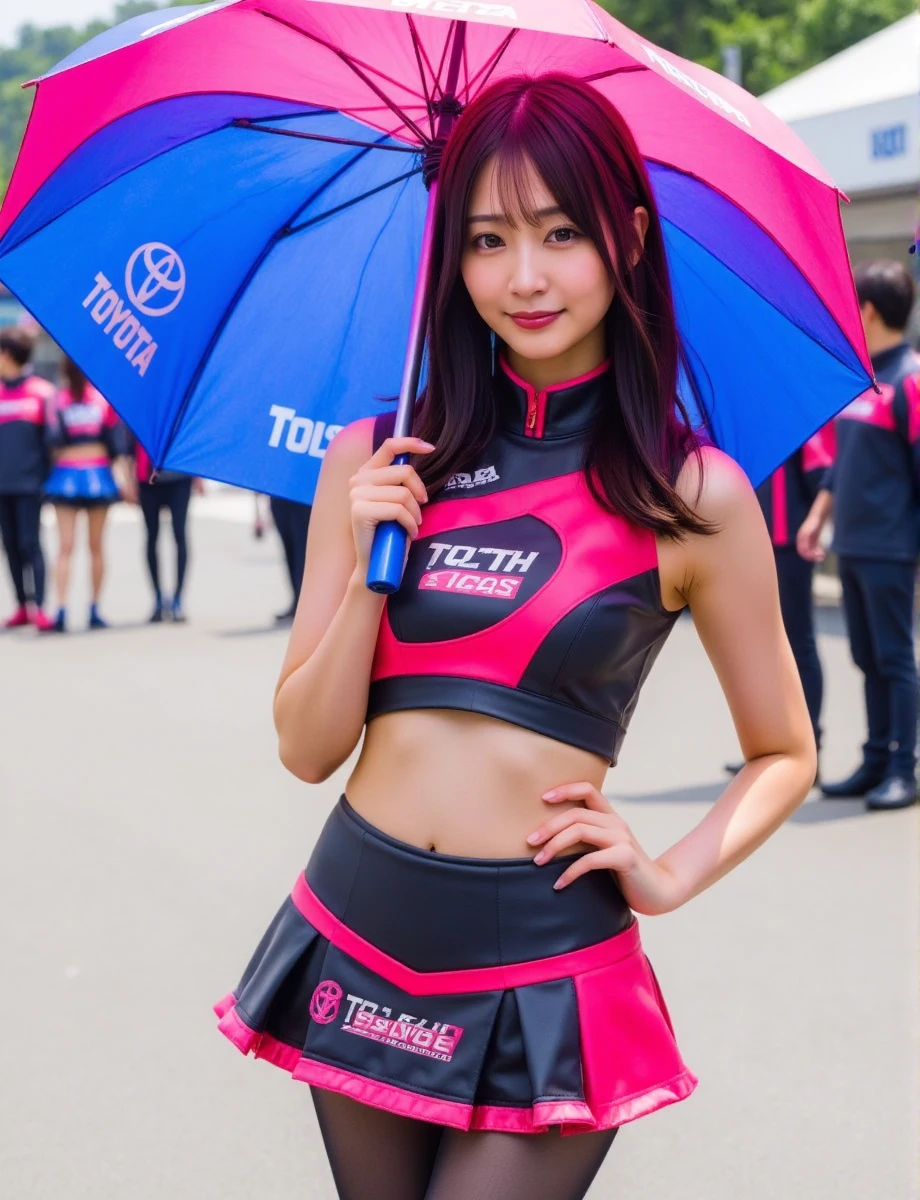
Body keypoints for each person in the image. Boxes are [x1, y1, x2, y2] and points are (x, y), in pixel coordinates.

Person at [214, 75, 815, 1200]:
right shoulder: (379, 458)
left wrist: (669, 874)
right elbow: (304, 747)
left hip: (543, 961)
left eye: (559, 233)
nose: (522, 277)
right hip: (358, 923)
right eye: (486, 239)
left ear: (626, 238)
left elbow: (784, 749)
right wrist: (365, 571)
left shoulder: (692, 494)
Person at [799, 261, 920, 812]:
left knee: (895, 660)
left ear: (867, 310)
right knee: (868, 659)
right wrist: (819, 516)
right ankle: (874, 762)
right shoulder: (865, 377)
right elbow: (845, 461)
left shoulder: (910, 380)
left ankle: (903, 769)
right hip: (852, 544)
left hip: (891, 550)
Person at [724, 424, 835, 778]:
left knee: (796, 644)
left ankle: (808, 750)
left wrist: (815, 521)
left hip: (788, 543)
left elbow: (823, 472)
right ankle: (767, 748)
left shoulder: (798, 408)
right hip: (748, 540)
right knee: (757, 649)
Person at [43, 358, 131, 632]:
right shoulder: (103, 400)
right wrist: (126, 480)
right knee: (96, 546)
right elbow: (116, 444)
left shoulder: (57, 400)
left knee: (65, 547)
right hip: (98, 475)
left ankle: (61, 609)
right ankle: (94, 608)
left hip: (66, 475)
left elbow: (51, 442)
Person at [0, 325, 55, 631]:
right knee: (9, 545)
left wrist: (46, 482)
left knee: (30, 543)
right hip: (2, 484)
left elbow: (51, 444)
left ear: (6, 354)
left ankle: (41, 606)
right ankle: (21, 605)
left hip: (30, 485)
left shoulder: (42, 392)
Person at [130, 443, 200, 623]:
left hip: (179, 476)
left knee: (180, 535)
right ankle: (158, 598)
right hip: (148, 476)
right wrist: (130, 478)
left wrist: (199, 475)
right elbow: (129, 445)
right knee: (152, 536)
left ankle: (178, 598)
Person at [270, 494, 311, 623]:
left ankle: (305, 602)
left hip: (304, 495)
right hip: (279, 493)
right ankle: (296, 600)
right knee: (289, 550)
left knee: (302, 549)